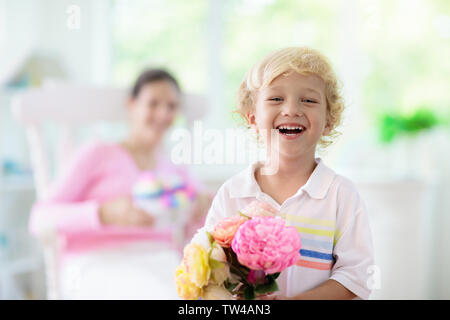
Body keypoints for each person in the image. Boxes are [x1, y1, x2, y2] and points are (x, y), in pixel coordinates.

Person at [194, 47, 374, 300]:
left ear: (329, 121)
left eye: (309, 100)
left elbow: (356, 278)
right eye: (276, 99)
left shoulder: (341, 195)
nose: (291, 109)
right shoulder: (232, 193)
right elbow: (211, 273)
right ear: (254, 119)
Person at [29, 69, 209, 299]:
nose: (163, 113)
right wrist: (102, 214)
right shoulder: (97, 153)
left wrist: (200, 209)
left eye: (171, 106)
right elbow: (39, 218)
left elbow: (197, 231)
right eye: (153, 103)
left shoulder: (177, 170)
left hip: (162, 259)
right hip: (96, 261)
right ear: (132, 105)